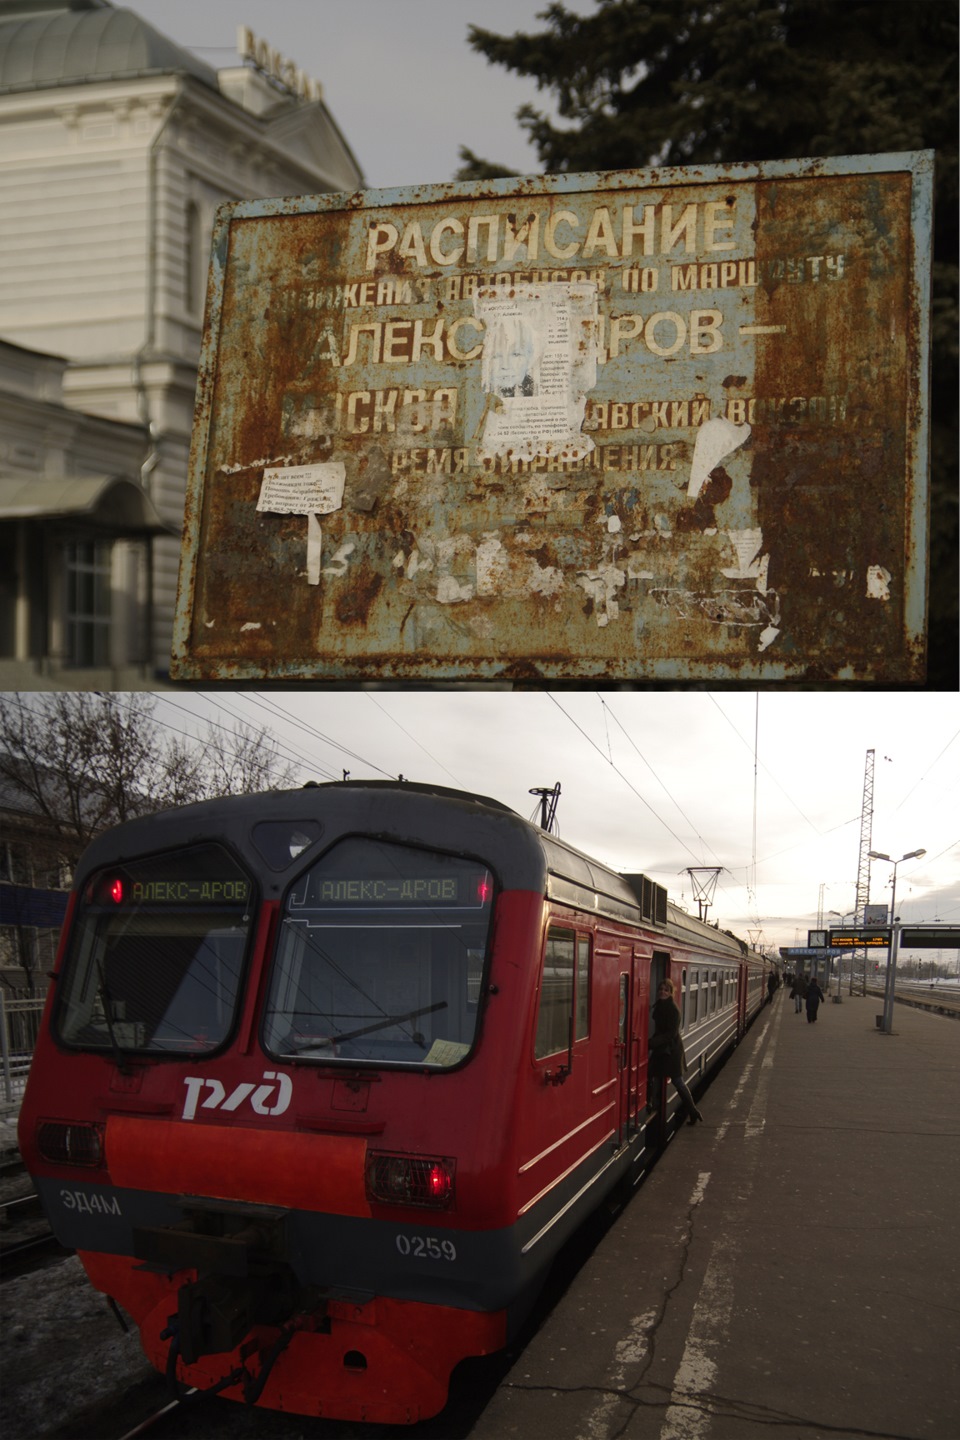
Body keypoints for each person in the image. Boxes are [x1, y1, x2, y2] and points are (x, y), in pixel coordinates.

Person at [649, 978, 703, 1125]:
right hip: (663, 1048)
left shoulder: (673, 1009)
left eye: (666, 990)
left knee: (677, 1081)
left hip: (672, 1050)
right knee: (650, 1073)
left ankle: (693, 1111)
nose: (662, 992)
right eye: (661, 989)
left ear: (671, 992)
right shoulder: (660, 1005)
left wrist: (652, 1043)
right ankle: (650, 1104)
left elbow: (670, 1034)